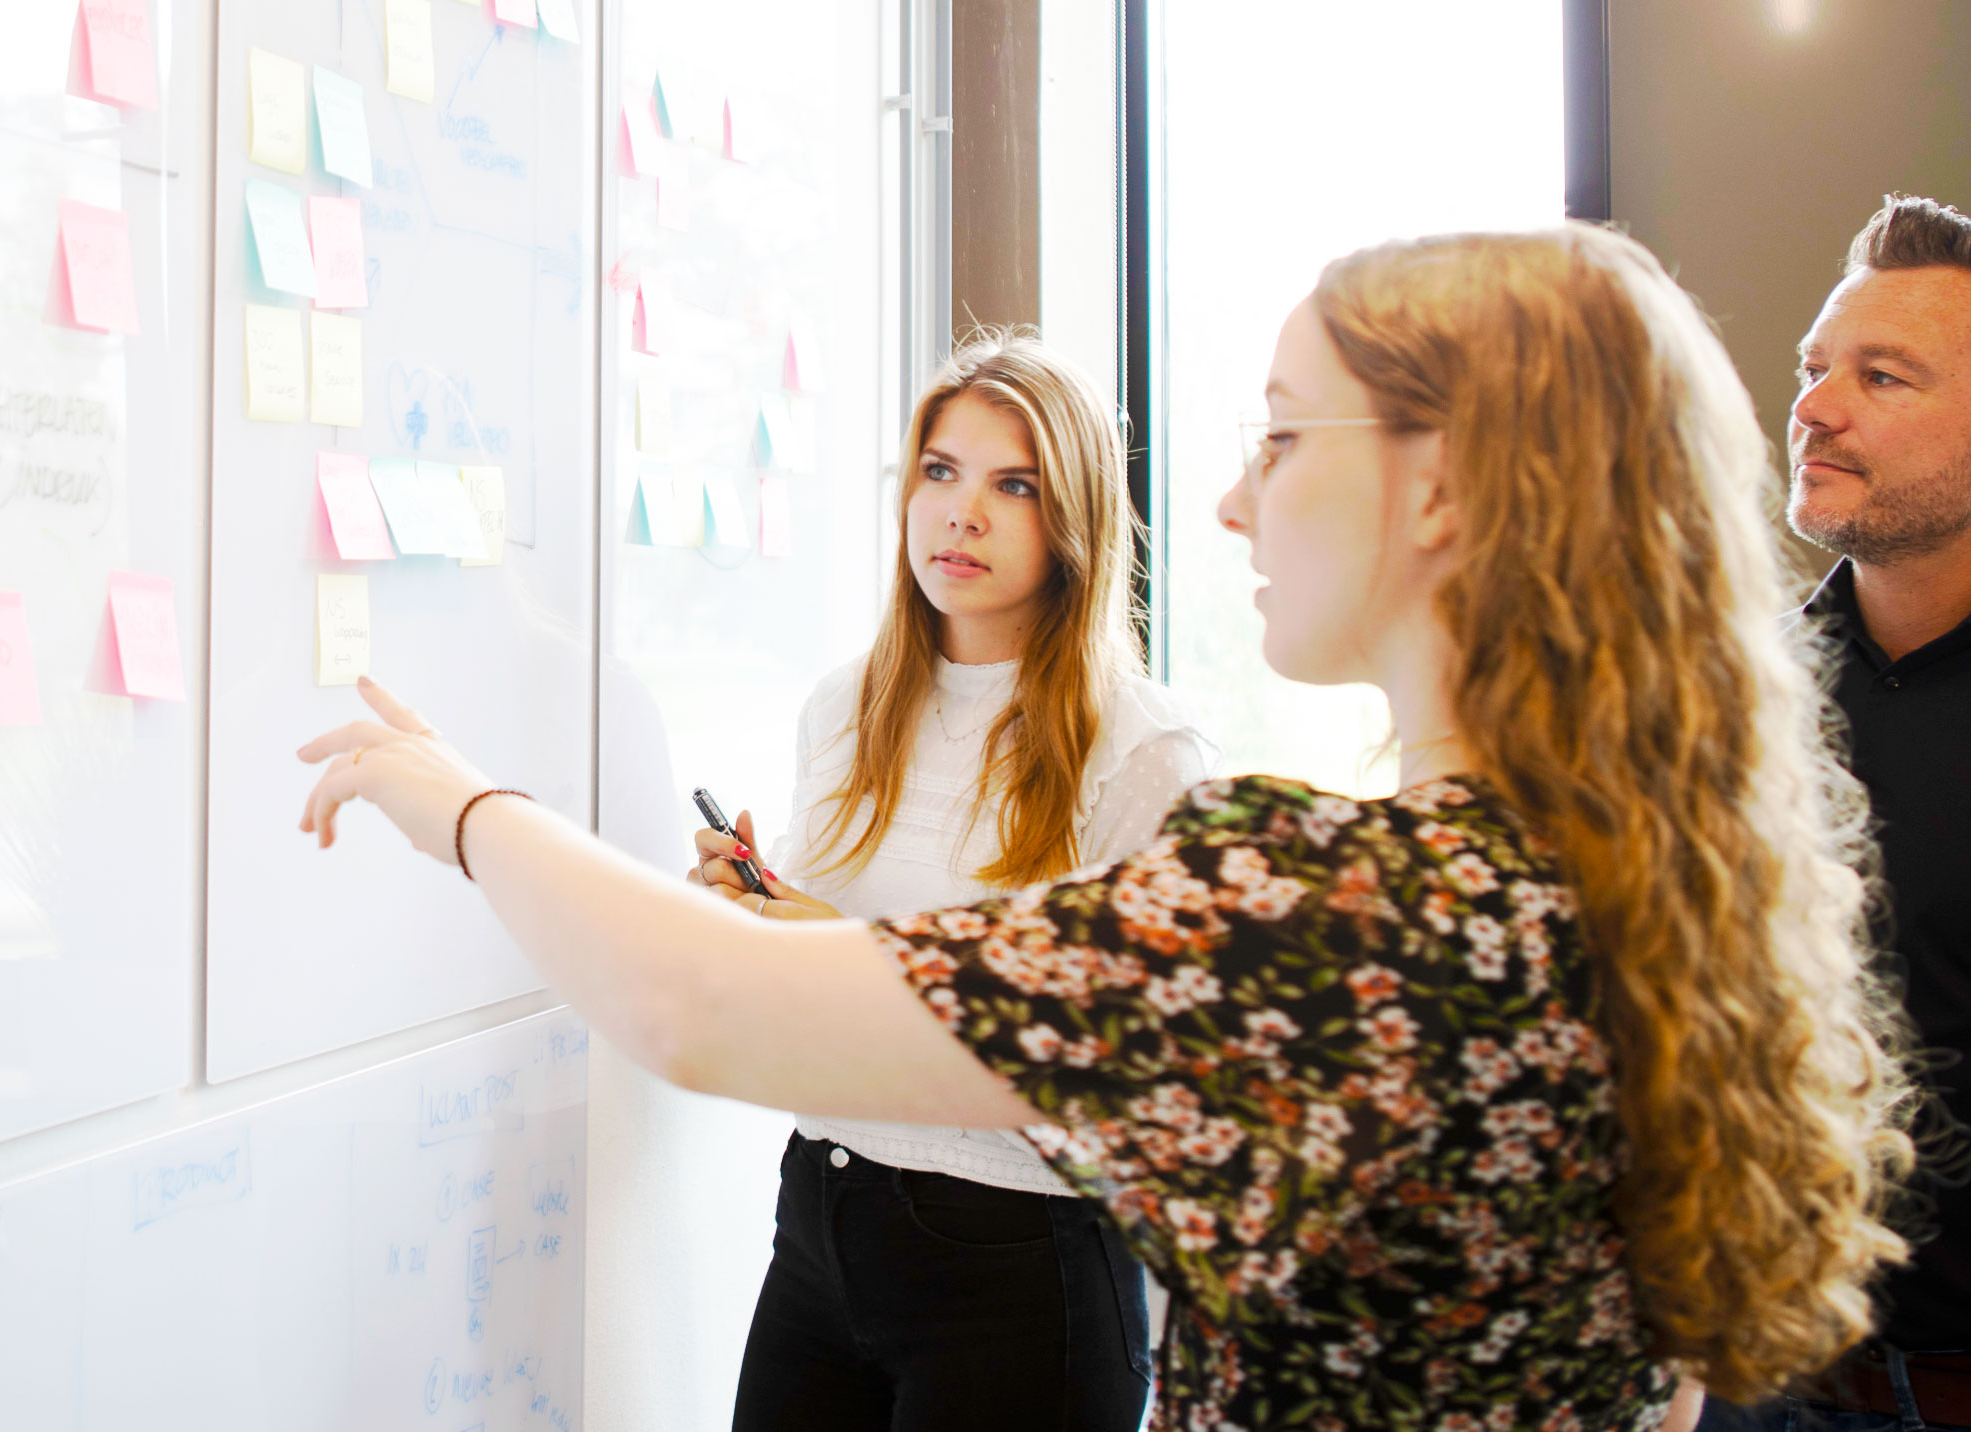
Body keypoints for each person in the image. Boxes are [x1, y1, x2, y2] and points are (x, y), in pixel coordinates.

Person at [296, 224, 1912, 1432]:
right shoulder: (1600, 888)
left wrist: (456, 802)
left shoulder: (1328, 908)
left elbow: (696, 1005)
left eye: (1280, 435)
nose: (1228, 501)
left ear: (1442, 489)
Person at [691, 332, 1216, 1431]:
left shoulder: (1144, 748)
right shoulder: (843, 706)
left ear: (1070, 515)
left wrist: (852, 955)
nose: (960, 514)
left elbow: (1132, 1079)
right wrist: (755, 917)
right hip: (821, 1209)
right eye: (940, 471)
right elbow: (810, 975)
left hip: (1017, 1258)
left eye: (1011, 485)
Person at [1700, 195, 1971, 1432]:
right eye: (1815, 368)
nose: (1813, 405)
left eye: (1882, 374)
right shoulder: (1737, 700)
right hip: (1764, 1383)